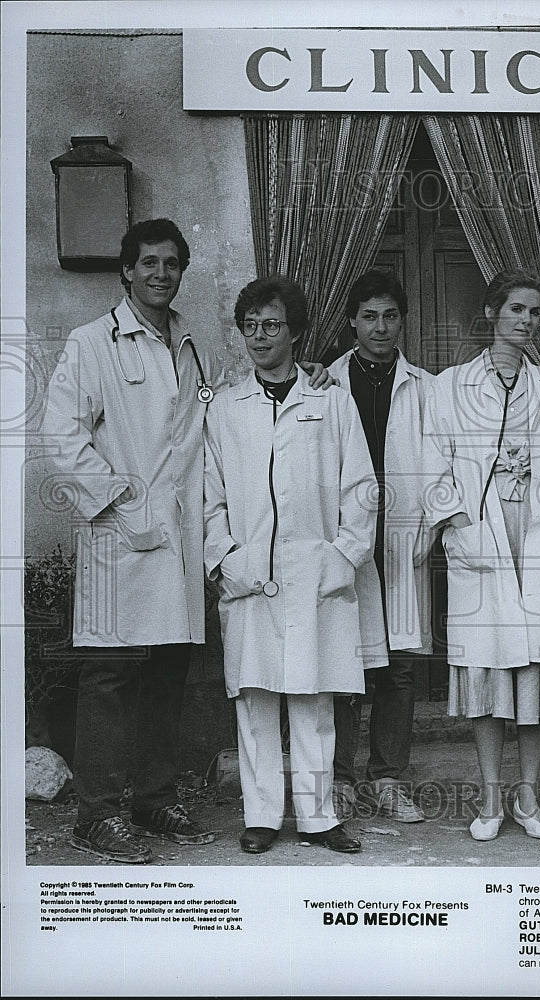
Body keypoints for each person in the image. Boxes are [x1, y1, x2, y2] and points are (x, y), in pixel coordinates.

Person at [41, 219, 332, 864]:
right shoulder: (93, 344)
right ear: (126, 270)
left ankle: (151, 797)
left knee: (166, 675)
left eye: (172, 263)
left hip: (175, 547)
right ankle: (101, 812)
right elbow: (61, 437)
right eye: (148, 262)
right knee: (111, 678)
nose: (161, 274)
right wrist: (122, 502)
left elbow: (222, 409)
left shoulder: (188, 347)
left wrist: (305, 375)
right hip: (118, 541)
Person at [203, 275, 387, 855]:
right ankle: (260, 815)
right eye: (250, 326)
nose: (259, 337)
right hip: (250, 573)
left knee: (313, 700)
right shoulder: (227, 406)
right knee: (255, 699)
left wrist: (341, 560)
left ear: (296, 330)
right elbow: (211, 495)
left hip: (315, 573)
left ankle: (318, 816)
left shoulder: (330, 400)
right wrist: (225, 559)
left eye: (272, 325)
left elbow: (361, 488)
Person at [421, 270, 540, 841]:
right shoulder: (450, 387)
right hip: (484, 536)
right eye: (515, 309)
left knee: (535, 673)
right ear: (492, 313)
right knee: (489, 669)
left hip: (537, 535)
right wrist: (457, 522)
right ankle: (491, 799)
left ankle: (529, 797)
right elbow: (431, 462)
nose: (526, 320)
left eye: (535, 312)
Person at [328, 270, 435, 824]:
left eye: (390, 316)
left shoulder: (425, 386)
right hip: (345, 535)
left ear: (403, 320)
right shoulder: (324, 384)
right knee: (345, 656)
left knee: (398, 663)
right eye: (369, 316)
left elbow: (441, 463)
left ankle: (388, 778)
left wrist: (431, 527)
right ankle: (341, 778)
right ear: (352, 320)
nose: (380, 327)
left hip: (401, 533)